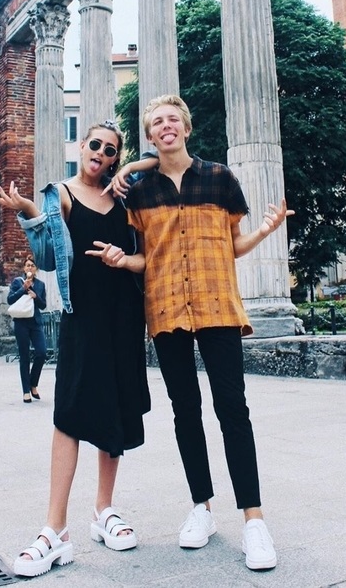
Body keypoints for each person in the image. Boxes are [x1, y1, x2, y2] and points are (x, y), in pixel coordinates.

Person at [119, 94, 293, 571]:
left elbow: (233, 245)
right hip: (167, 308)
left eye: (173, 119)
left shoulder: (220, 178)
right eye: (157, 122)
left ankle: (254, 521)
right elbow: (144, 258)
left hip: (218, 306)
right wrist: (122, 259)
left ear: (187, 127)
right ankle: (202, 508)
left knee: (233, 410)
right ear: (151, 135)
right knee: (185, 412)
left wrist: (263, 231)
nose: (166, 126)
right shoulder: (139, 193)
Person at [0, 120, 149, 577]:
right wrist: (28, 212)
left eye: (111, 150)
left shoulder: (126, 194)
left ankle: (105, 510)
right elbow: (45, 257)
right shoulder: (60, 193)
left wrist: (133, 166)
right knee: (70, 413)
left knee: (115, 408)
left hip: (124, 314)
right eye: (94, 145)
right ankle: (55, 530)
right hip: (82, 316)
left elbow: (165, 163)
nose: (101, 152)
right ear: (81, 147)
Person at [7, 257, 47, 403]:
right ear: (24, 269)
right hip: (21, 323)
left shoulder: (41, 285)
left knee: (41, 353)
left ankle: (33, 383)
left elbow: (43, 305)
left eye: (32, 266)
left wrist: (35, 296)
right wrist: (23, 289)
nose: (30, 268)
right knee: (24, 356)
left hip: (35, 323)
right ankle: (26, 391)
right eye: (27, 266)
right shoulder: (18, 282)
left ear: (35, 269)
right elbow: (10, 300)